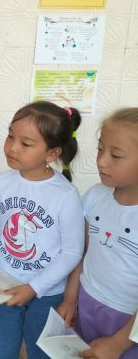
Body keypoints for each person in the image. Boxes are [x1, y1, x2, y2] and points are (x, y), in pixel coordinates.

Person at [0, 101, 85, 359]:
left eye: (25, 143)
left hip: (47, 295)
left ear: (52, 154)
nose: (12, 147)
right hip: (4, 285)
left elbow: (72, 253)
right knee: (0, 353)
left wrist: (34, 288)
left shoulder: (66, 195)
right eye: (10, 136)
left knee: (41, 354)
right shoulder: (3, 182)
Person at [57, 108, 138, 359]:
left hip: (130, 324)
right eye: (100, 149)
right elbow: (83, 252)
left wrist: (119, 343)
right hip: (88, 303)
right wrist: (70, 298)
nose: (101, 161)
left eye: (116, 155)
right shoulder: (95, 196)